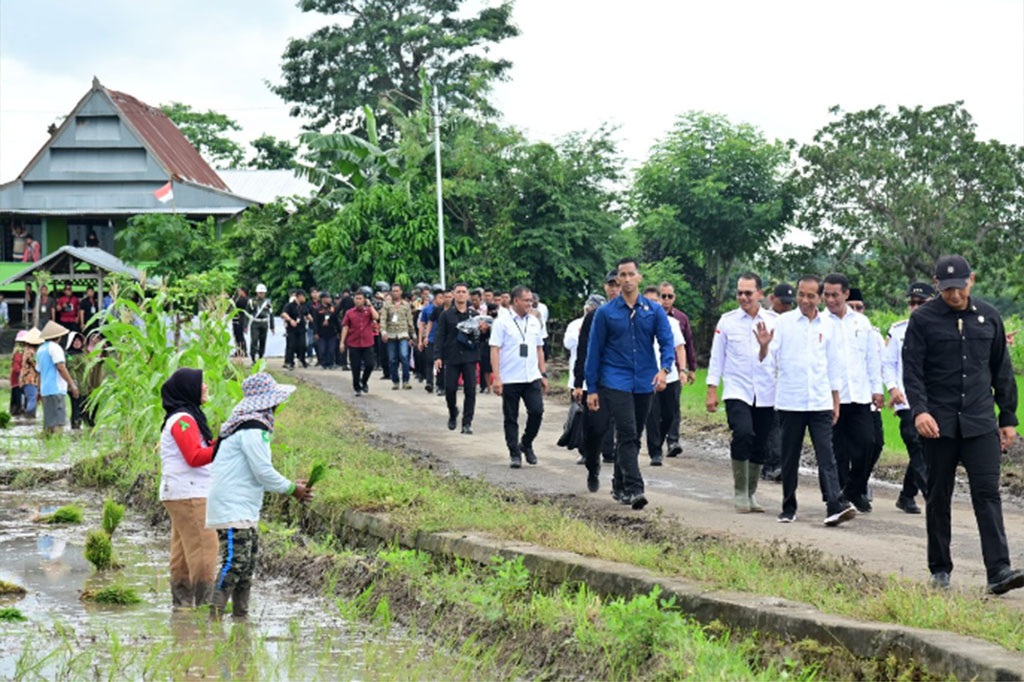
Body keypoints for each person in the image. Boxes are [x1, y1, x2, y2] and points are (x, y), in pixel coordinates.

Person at [903, 255, 1024, 594]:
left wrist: (1008, 417)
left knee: (987, 494)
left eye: (959, 287)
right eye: (946, 288)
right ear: (937, 283)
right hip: (937, 423)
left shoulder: (989, 317)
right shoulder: (924, 320)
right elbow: (912, 371)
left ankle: (998, 570)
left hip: (980, 420)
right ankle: (940, 569)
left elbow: (1001, 369)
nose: (954, 295)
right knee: (938, 495)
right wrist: (920, 411)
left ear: (971, 280)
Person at [206, 373, 313, 617]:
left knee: (247, 564)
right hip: (232, 506)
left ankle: (241, 617)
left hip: (242, 506)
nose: (277, 406)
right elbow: (263, 471)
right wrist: (292, 489)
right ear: (267, 402)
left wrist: (289, 484)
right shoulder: (252, 428)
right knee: (235, 562)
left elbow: (256, 472)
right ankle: (213, 618)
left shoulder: (248, 426)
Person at [756, 275, 856, 526]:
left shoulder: (828, 325)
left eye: (811, 296)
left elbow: (833, 366)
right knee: (790, 457)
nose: (804, 300)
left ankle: (834, 504)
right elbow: (768, 361)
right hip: (791, 401)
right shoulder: (785, 323)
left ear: (820, 297)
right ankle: (788, 506)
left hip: (820, 401)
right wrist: (764, 346)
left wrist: (835, 401)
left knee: (826, 455)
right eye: (801, 294)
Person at [585, 259, 675, 510]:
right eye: (621, 276)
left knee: (634, 435)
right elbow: (594, 351)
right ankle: (635, 488)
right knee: (626, 432)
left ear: (639, 278)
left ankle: (618, 483)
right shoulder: (605, 313)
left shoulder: (653, 310)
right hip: (615, 379)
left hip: (645, 380)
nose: (625, 280)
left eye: (630, 275)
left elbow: (667, 341)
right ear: (616, 281)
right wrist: (592, 388)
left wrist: (664, 370)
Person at [706, 273, 777, 513]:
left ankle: (750, 493)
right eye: (740, 293)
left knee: (760, 442)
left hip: (766, 391)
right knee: (743, 433)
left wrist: (764, 346)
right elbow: (717, 358)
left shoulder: (775, 321)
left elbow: (772, 360)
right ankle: (739, 492)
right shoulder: (727, 321)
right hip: (737, 389)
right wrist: (711, 391)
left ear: (760, 293)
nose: (743, 298)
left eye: (748, 293)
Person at [822, 274, 883, 513]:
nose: (830, 299)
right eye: (826, 295)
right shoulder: (820, 323)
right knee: (837, 450)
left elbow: (871, 359)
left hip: (859, 395)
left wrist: (877, 389)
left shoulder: (861, 322)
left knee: (869, 443)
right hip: (830, 398)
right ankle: (838, 497)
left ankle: (853, 489)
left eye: (835, 295)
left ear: (846, 294)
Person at [160, 368, 218, 608]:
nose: (204, 387)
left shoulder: (185, 417)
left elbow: (199, 449)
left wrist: (221, 441)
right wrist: (224, 446)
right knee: (205, 549)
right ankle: (205, 609)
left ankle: (182, 609)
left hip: (180, 492)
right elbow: (194, 456)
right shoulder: (183, 420)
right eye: (201, 383)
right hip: (190, 493)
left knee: (183, 554)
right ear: (188, 389)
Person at [881, 282, 933, 514]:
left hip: (934, 400)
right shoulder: (899, 330)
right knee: (914, 441)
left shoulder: (945, 328)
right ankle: (931, 495)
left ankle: (906, 495)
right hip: (907, 399)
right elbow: (888, 363)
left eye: (921, 303)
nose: (915, 307)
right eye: (912, 303)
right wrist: (892, 389)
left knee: (924, 448)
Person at [490, 285, 548, 468]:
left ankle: (526, 443)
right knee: (510, 417)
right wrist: (497, 377)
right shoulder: (502, 322)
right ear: (516, 301)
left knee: (537, 412)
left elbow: (539, 348)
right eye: (526, 300)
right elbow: (495, 349)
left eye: (531, 300)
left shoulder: (534, 321)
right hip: (510, 378)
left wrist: (543, 373)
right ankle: (514, 453)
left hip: (531, 377)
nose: (530, 304)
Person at [573, 271, 622, 478]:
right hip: (598, 378)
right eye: (610, 285)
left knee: (624, 424)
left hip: (622, 378)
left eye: (617, 285)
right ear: (605, 287)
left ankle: (615, 462)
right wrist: (578, 382)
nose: (614, 289)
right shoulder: (594, 316)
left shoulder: (633, 314)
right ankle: (592, 460)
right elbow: (583, 350)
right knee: (596, 422)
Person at [642, 286, 686, 466]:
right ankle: (655, 452)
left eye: (655, 301)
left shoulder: (671, 323)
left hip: (670, 375)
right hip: (648, 375)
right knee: (652, 415)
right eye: (648, 301)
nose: (652, 305)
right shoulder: (637, 322)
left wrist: (682, 370)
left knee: (669, 414)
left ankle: (659, 441)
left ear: (660, 303)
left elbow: (679, 347)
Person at [434, 283, 482, 434]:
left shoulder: (474, 316)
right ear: (454, 294)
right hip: (452, 356)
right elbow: (440, 336)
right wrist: (437, 356)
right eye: (458, 292)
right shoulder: (446, 315)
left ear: (467, 295)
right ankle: (452, 412)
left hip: (469, 356)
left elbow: (479, 338)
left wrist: (483, 330)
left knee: (470, 390)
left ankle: (467, 422)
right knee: (450, 389)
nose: (461, 294)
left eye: (464, 292)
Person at [761, 282, 796, 482]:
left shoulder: (793, 321)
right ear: (773, 299)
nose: (787, 307)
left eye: (790, 304)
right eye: (784, 303)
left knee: (785, 426)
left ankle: (781, 464)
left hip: (788, 380)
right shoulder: (764, 320)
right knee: (771, 426)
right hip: (767, 379)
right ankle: (771, 464)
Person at [657, 282, 696, 456]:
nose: (666, 300)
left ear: (674, 298)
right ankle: (655, 440)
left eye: (669, 296)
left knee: (673, 406)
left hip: (674, 370)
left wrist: (688, 369)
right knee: (655, 408)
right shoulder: (646, 316)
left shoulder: (680, 319)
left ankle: (673, 441)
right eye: (663, 296)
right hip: (653, 369)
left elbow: (686, 346)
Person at [36, 321, 79, 435]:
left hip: (45, 390)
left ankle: (48, 445)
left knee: (49, 422)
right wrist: (72, 384)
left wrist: (39, 390)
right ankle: (56, 444)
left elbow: (39, 373)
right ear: (58, 337)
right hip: (56, 389)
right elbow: (60, 367)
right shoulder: (55, 348)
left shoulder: (40, 349)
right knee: (58, 422)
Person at [340, 288, 379, 396]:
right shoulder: (349, 313)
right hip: (354, 343)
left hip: (367, 342)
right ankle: (357, 387)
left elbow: (376, 317)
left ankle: (364, 381)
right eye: (356, 298)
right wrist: (342, 342)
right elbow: (345, 327)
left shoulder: (368, 311)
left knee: (370, 364)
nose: (357, 300)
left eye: (360, 298)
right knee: (355, 367)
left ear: (364, 300)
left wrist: (370, 305)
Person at [381, 284, 416, 390]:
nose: (395, 293)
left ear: (401, 292)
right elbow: (383, 319)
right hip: (391, 334)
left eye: (397, 291)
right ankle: (395, 381)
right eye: (393, 291)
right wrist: (383, 332)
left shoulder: (406, 305)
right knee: (392, 359)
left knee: (404, 357)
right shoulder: (387, 305)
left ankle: (406, 381)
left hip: (403, 334)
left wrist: (413, 334)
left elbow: (410, 320)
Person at [281, 290, 309, 370]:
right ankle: (290, 362)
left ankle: (302, 359)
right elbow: (284, 314)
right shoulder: (290, 305)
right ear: (299, 296)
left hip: (301, 329)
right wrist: (290, 320)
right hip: (292, 329)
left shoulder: (303, 306)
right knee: (291, 346)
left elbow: (308, 315)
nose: (304, 298)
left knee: (303, 345)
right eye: (303, 296)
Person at [247, 284, 274, 364]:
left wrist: (272, 326)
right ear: (257, 293)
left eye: (263, 293)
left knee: (263, 341)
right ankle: (253, 358)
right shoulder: (252, 301)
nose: (261, 294)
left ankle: (261, 357)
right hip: (255, 323)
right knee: (254, 341)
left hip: (264, 323)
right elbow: (247, 313)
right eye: (260, 293)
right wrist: (245, 325)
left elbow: (271, 314)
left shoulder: (268, 302)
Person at [312, 292, 339, 370]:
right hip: (322, 333)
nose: (329, 299)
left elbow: (337, 321)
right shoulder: (318, 309)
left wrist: (339, 331)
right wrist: (315, 332)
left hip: (332, 332)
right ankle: (323, 363)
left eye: (330, 298)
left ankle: (331, 363)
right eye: (327, 298)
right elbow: (315, 322)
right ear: (323, 299)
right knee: (322, 349)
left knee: (331, 349)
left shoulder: (333, 308)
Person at [20, 329, 41, 421]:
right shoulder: (31, 352)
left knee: (30, 399)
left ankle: (29, 418)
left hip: (27, 379)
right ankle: (29, 419)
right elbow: (37, 366)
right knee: (32, 399)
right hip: (30, 379)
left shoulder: (25, 350)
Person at [9, 330, 28, 416]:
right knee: (18, 399)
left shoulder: (24, 351)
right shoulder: (19, 352)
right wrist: (23, 373)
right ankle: (17, 413)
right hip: (18, 379)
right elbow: (16, 367)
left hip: (22, 379)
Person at [232, 287, 249, 359]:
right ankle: (238, 350)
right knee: (236, 335)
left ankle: (243, 350)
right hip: (236, 318)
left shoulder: (244, 300)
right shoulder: (238, 298)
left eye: (240, 291)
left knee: (240, 335)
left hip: (241, 319)